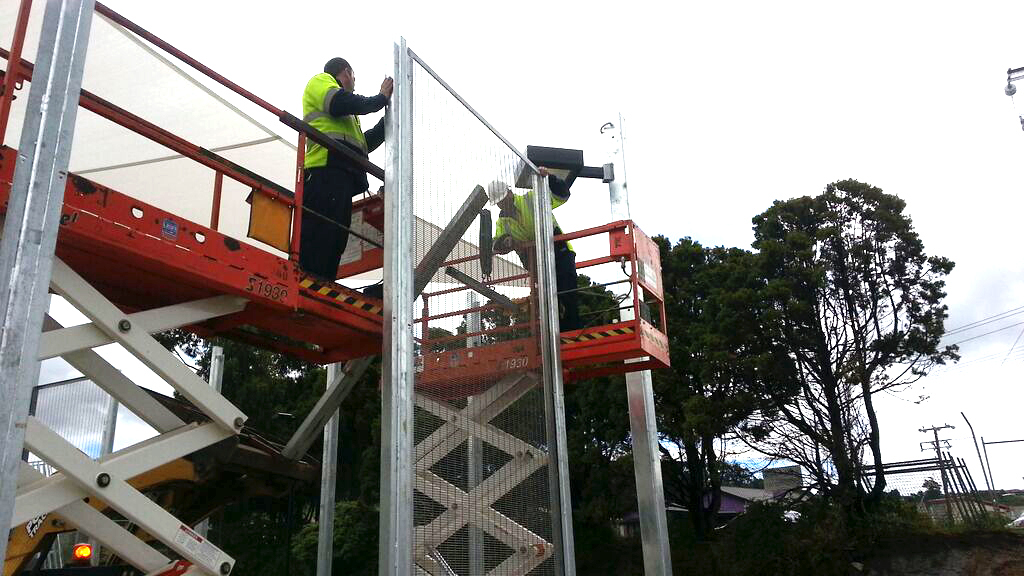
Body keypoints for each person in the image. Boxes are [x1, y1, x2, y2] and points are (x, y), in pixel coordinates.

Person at [299, 57, 394, 280]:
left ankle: (323, 282)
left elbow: (361, 145)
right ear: (346, 72)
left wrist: (386, 124)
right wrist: (379, 98)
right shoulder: (321, 81)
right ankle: (309, 280)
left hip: (340, 176)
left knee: (336, 236)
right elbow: (342, 101)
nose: (354, 83)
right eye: (353, 77)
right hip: (324, 172)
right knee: (320, 233)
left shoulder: (348, 117)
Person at [488, 168, 580, 331]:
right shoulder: (502, 222)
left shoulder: (531, 198)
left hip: (559, 251)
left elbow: (562, 195)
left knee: (567, 289)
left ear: (510, 192)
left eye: (503, 198)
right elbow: (495, 245)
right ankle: (553, 331)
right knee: (545, 299)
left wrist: (550, 179)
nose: (503, 203)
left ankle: (572, 330)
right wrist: (505, 241)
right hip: (536, 261)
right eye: (499, 202)